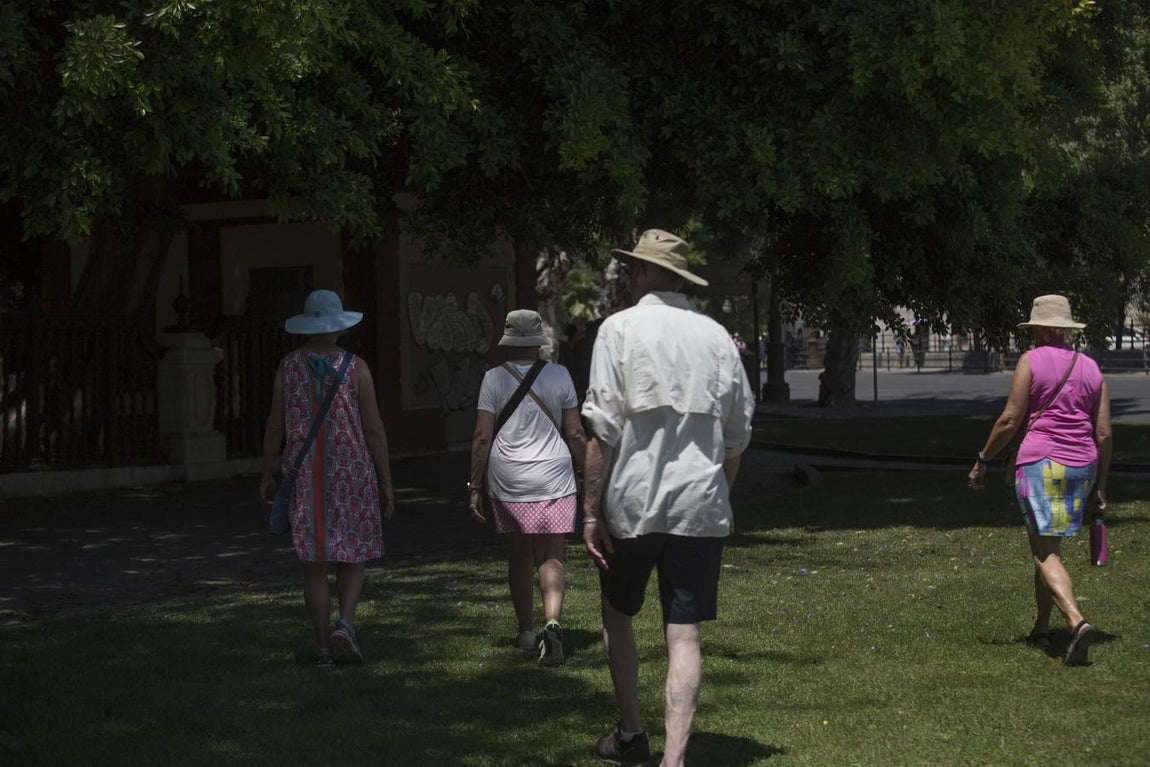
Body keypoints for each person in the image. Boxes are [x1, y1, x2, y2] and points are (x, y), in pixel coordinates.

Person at [582, 229, 755, 767]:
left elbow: (601, 432)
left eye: (631, 269)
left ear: (643, 272)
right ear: (680, 278)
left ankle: (632, 732)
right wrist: (719, 492)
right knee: (684, 635)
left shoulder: (618, 330)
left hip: (632, 503)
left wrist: (589, 511)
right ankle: (674, 760)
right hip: (699, 505)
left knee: (617, 613)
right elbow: (738, 434)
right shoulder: (716, 337)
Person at [968, 294, 1111, 666]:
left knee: (1044, 552)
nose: (1032, 336)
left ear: (1045, 329)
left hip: (1041, 464)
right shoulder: (1092, 368)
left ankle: (1076, 621)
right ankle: (1042, 626)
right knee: (1047, 547)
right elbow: (1104, 433)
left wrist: (983, 458)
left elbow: (1009, 419)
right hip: (1082, 466)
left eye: (1034, 329)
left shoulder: (1031, 360)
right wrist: (1101, 486)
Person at [259, 289, 395, 669]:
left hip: (306, 476)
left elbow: (274, 425)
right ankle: (345, 624)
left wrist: (267, 472)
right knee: (353, 553)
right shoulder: (356, 367)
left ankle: (322, 649)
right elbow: (374, 428)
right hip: (351, 472)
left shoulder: (288, 367)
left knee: (315, 564)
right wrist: (385, 479)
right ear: (338, 326)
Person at [468, 309, 586, 666]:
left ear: (507, 341)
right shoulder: (560, 374)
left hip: (509, 478)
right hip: (554, 476)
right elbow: (575, 432)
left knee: (520, 554)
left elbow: (482, 436)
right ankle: (553, 622)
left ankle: (526, 631)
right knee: (551, 556)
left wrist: (475, 484)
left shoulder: (493, 378)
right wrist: (591, 474)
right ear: (538, 342)